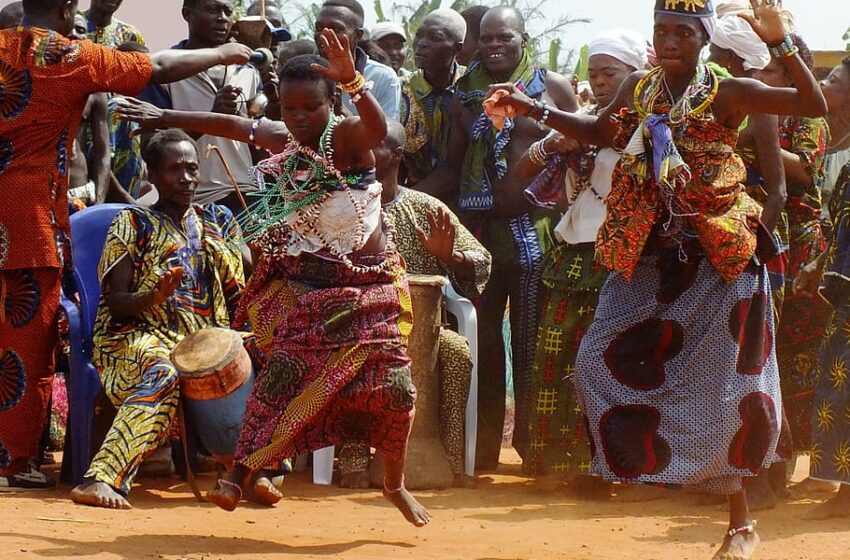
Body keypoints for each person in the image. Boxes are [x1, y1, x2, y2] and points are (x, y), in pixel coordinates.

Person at [485, 1, 827, 558]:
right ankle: (660, 467)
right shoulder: (641, 90)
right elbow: (599, 130)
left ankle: (740, 522)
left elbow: (811, 104)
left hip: (721, 255)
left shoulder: (730, 91)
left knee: (727, 389)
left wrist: (782, 39)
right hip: (650, 250)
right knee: (596, 358)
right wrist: (531, 107)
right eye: (661, 31)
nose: (670, 41)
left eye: (682, 32)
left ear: (703, 36)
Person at [117, 29, 431, 527]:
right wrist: (166, 116)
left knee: (396, 392)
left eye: (309, 107)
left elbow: (375, 126)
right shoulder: (283, 140)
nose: (298, 117)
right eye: (288, 108)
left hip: (370, 290)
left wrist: (354, 81)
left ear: (330, 102)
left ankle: (394, 484)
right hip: (307, 288)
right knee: (281, 374)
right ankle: (239, 475)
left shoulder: (348, 138)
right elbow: (228, 122)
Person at [0, 0, 252, 490]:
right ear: (67, 7)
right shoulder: (64, 54)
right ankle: (12, 462)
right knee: (25, 343)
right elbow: (155, 66)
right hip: (28, 219)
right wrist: (223, 52)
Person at [415, 5, 578, 470]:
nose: (494, 46)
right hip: (477, 234)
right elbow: (451, 168)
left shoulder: (552, 88)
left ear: (524, 37)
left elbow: (583, 152)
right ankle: (481, 449)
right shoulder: (462, 95)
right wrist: (404, 200)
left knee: (534, 344)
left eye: (503, 37)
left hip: (537, 233)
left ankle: (535, 448)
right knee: (481, 341)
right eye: (485, 38)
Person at [69, 129, 252, 509]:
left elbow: (245, 281)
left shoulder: (216, 219)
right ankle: (99, 479)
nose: (185, 178)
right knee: (163, 370)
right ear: (151, 175)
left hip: (202, 338)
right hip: (133, 337)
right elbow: (116, 304)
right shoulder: (133, 224)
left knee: (270, 355)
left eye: (191, 168)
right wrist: (155, 296)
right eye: (174, 170)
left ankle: (253, 473)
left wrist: (240, 249)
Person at [516, 29, 647, 496]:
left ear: (636, 74)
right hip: (573, 253)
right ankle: (556, 465)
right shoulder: (582, 120)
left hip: (625, 257)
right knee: (556, 354)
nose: (601, 80)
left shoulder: (651, 126)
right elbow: (523, 171)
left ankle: (612, 468)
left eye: (610, 72)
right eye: (594, 73)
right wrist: (553, 145)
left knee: (610, 364)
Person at [337, 121, 492, 488]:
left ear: (397, 156)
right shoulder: (342, 208)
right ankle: (355, 460)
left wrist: (450, 256)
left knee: (455, 351)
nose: (361, 154)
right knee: (351, 349)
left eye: (372, 146)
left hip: (425, 332)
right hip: (361, 324)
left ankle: (451, 463)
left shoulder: (426, 208)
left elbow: (482, 259)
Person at [141, 0, 266, 214]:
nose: (222, 18)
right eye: (213, 9)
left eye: (228, 11)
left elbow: (259, 144)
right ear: (187, 13)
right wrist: (212, 118)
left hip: (248, 197)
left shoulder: (248, 70)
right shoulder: (165, 72)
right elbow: (151, 147)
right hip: (193, 201)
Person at [400, 8, 466, 187]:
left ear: (457, 48)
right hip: (412, 195)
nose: (421, 43)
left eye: (435, 38)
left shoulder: (473, 89)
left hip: (467, 200)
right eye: (419, 35)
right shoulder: (400, 91)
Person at [315, 0, 400, 119]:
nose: (324, 34)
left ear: (358, 35)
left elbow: (387, 135)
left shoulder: (382, 76)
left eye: (336, 28)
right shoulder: (304, 72)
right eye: (319, 28)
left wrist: (352, 87)